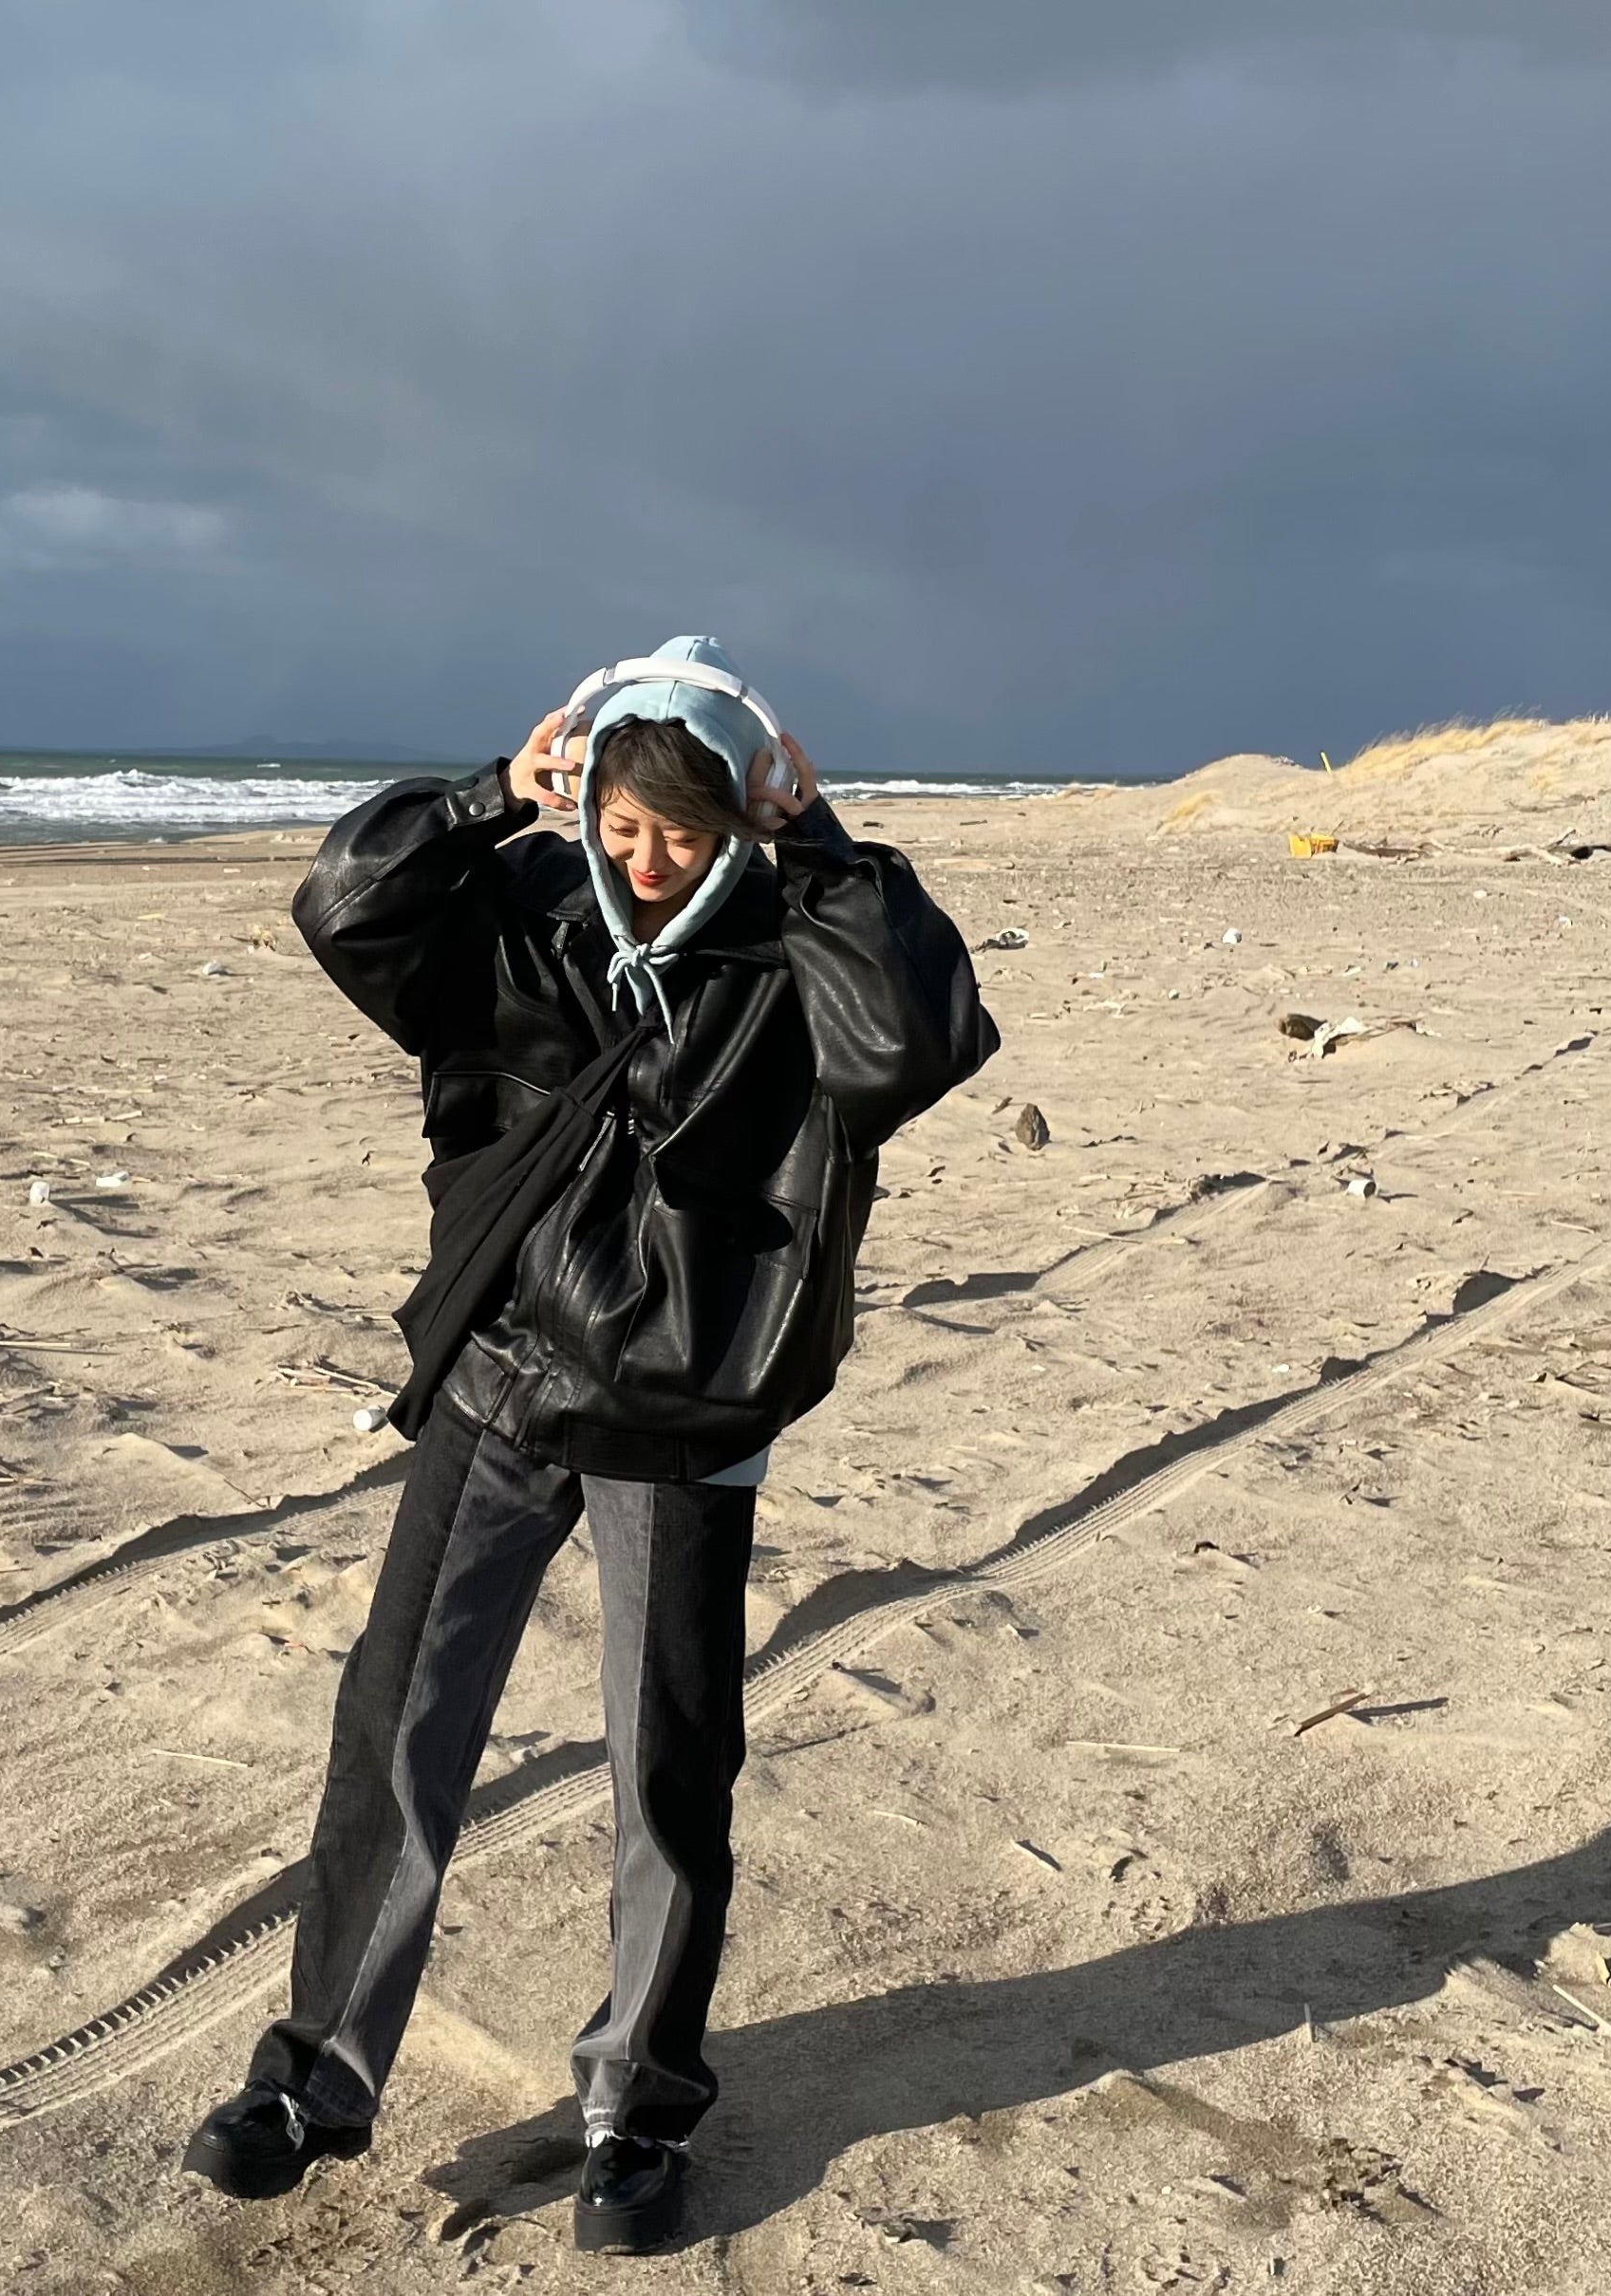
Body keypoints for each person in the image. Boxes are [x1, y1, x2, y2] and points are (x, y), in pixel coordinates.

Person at [190, 637, 999, 2252]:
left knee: (668, 1768)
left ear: (740, 817)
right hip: (501, 1379)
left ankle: (641, 2109)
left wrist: (821, 844)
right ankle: (314, 2078)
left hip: (688, 1410)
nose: (646, 861)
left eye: (684, 832)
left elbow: (912, 1045)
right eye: (622, 825)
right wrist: (492, 797)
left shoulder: (796, 949)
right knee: (400, 1726)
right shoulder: (529, 915)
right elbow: (346, 908)